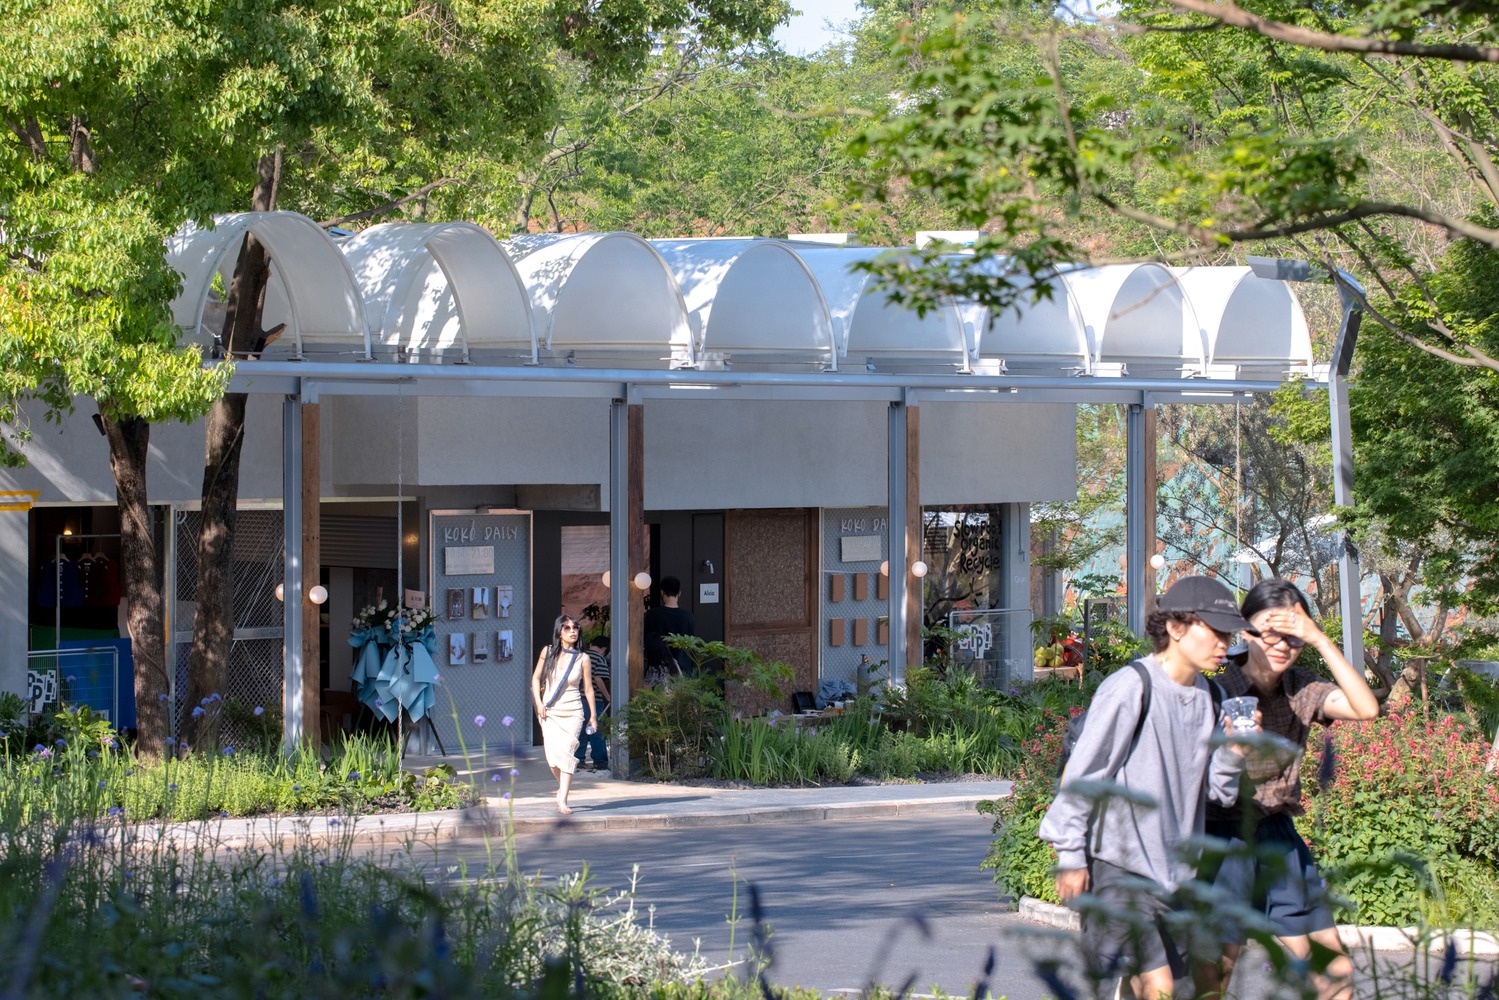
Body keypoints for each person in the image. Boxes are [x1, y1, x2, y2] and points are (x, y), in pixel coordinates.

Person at [1038, 575, 1256, 1000]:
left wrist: (1233, 753)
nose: (1224, 644)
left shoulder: (1212, 697)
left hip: (1175, 873)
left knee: (1164, 987)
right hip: (1121, 867)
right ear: (1175, 628)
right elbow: (1085, 773)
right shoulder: (1131, 686)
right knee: (1160, 986)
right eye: (1215, 631)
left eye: (1229, 634)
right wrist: (1070, 856)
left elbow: (1218, 793)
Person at [1202, 579, 1379, 1000]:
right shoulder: (1215, 689)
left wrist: (1320, 639)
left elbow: (1366, 708)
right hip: (1219, 834)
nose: (1282, 645)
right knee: (1214, 973)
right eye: (1270, 632)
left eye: (1294, 635)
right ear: (1246, 630)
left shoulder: (1303, 687)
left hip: (1277, 835)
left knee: (1333, 971)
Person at [531, 614, 598, 814]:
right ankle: (562, 787)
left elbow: (588, 689)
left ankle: (563, 799)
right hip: (550, 712)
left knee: (567, 753)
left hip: (573, 712)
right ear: (559, 632)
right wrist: (539, 703)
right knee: (553, 758)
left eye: (575, 627)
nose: (572, 631)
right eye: (567, 628)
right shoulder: (548, 652)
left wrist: (593, 716)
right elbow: (535, 678)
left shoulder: (583, 658)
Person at [643, 576, 696, 679]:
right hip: (683, 670)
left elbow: (646, 640)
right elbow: (691, 645)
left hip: (658, 671)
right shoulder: (688, 617)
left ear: (662, 593)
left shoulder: (653, 614)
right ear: (679, 593)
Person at [575, 635, 611, 773]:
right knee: (597, 731)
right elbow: (598, 679)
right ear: (604, 649)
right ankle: (600, 762)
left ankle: (579, 760)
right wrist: (608, 696)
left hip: (578, 699)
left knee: (581, 731)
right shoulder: (599, 659)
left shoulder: (580, 656)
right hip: (593, 700)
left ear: (591, 644)